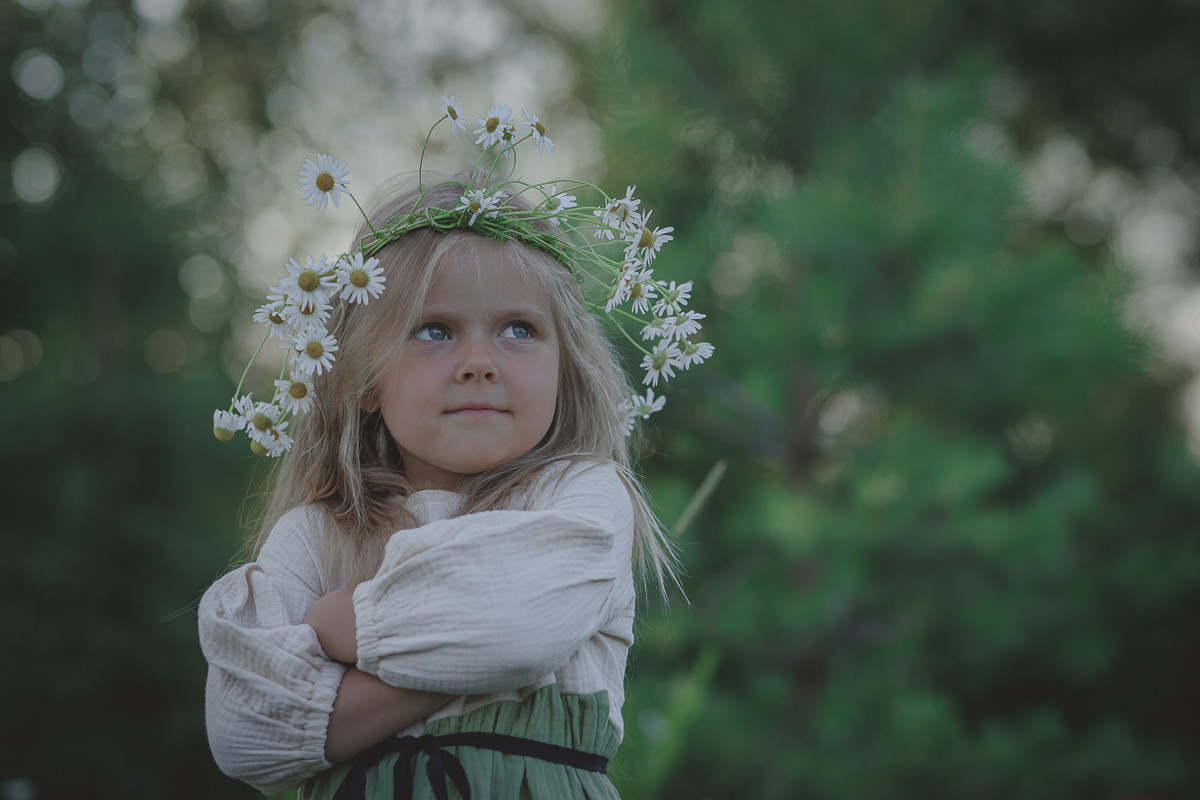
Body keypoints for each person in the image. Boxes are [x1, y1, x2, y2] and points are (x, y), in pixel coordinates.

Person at [198, 131, 709, 797]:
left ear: (563, 369)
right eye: (433, 330)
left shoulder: (581, 495)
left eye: (519, 329)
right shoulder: (318, 534)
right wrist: (476, 659)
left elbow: (516, 626)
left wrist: (342, 624)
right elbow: (245, 730)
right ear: (365, 381)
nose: (479, 362)